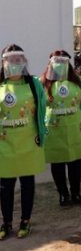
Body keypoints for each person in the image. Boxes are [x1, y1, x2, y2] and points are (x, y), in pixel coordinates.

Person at [0, 45, 47, 240]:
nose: (15, 63)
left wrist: (42, 135)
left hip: (29, 142)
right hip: (5, 144)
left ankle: (25, 221)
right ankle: (6, 223)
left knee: (27, 183)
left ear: (24, 62)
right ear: (4, 63)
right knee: (5, 184)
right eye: (11, 60)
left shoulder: (33, 84)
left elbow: (42, 108)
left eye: (19, 59)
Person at [40, 50, 81, 208]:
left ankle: (76, 193)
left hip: (73, 127)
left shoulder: (77, 82)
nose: (60, 65)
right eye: (57, 62)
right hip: (54, 129)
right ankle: (63, 195)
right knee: (58, 162)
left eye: (63, 62)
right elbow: (40, 105)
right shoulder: (44, 83)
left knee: (75, 162)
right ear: (51, 63)